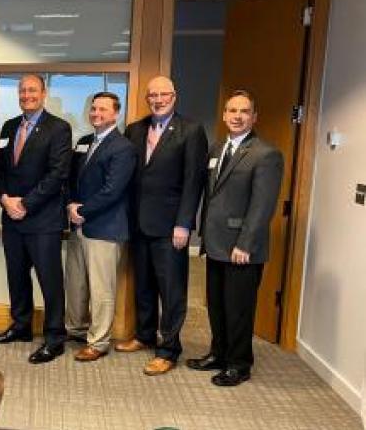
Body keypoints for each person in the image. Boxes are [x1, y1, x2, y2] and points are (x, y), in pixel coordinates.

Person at [187, 90, 283, 386]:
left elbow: (262, 205)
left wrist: (245, 243)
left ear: (254, 117)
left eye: (244, 111)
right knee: (216, 305)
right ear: (225, 115)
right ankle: (218, 353)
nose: (237, 116)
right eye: (232, 111)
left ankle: (239, 364)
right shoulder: (218, 148)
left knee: (238, 309)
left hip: (241, 247)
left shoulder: (266, 154)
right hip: (215, 243)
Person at [117, 76, 208, 376]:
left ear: (174, 96)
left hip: (171, 228)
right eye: (152, 95)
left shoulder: (191, 131)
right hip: (139, 224)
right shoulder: (135, 129)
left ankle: (168, 349)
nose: (157, 99)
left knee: (171, 291)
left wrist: (184, 224)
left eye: (163, 94)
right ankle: (145, 336)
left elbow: (194, 181)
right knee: (143, 285)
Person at [0, 74, 71, 364]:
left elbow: (57, 173)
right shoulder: (9, 127)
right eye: (22, 91)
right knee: (17, 277)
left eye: (32, 90)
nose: (26, 95)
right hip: (12, 218)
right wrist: (4, 198)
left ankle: (54, 338)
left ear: (44, 93)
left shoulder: (59, 128)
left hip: (43, 220)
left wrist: (26, 203)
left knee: (50, 281)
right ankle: (21, 326)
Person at [64, 92, 136, 362]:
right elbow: (72, 180)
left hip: (105, 228)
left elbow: (113, 190)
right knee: (76, 285)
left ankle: (99, 341)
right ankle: (77, 330)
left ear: (116, 114)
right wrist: (71, 204)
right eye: (93, 109)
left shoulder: (123, 148)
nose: (96, 114)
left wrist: (82, 210)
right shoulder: (84, 143)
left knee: (101, 289)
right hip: (78, 225)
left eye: (103, 110)